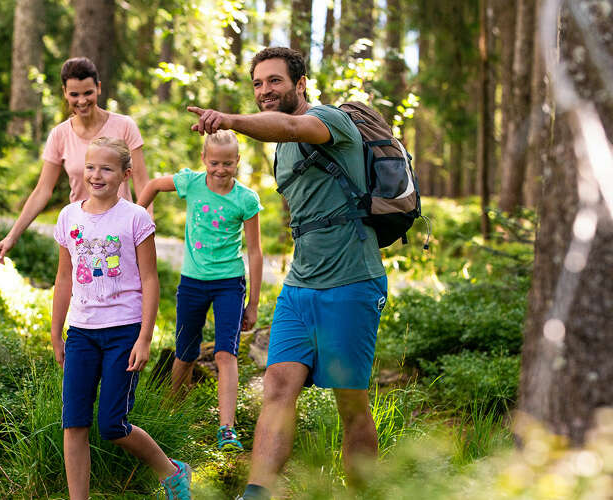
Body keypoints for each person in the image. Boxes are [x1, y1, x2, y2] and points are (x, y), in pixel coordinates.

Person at [187, 47, 388, 499]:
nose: (264, 91)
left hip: (351, 282)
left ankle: (364, 493)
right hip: (300, 288)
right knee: (278, 385)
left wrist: (231, 121)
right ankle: (256, 493)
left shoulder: (330, 121)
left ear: (299, 84)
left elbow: (294, 126)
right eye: (257, 84)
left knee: (350, 402)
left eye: (274, 81)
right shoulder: (280, 151)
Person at [51, 137, 191, 500]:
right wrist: (56, 332)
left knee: (113, 424)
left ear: (125, 174)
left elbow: (150, 279)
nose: (96, 175)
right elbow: (64, 278)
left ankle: (172, 473)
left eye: (107, 168)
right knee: (74, 423)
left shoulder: (135, 217)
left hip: (123, 333)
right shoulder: (69, 217)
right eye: (91, 166)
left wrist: (144, 337)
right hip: (81, 332)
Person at [136, 130, 263, 452]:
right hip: (192, 281)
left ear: (237, 162)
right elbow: (151, 186)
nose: (221, 169)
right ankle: (171, 413)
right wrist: (134, 218)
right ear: (204, 159)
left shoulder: (245, 199)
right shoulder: (191, 183)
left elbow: (256, 252)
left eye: (228, 163)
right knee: (185, 352)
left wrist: (253, 304)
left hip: (229, 283)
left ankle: (227, 428)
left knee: (225, 352)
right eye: (215, 163)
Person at [0, 56, 151, 264]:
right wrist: (12, 236)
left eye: (88, 92)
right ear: (65, 93)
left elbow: (142, 183)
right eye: (74, 94)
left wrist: (145, 231)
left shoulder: (124, 126)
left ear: (99, 88)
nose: (82, 101)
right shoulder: (60, 135)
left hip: (120, 232)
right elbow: (43, 190)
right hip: (81, 233)